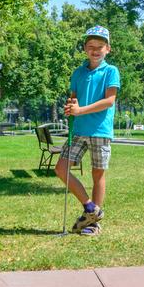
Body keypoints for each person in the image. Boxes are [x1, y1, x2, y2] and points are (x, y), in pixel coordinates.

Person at [54, 26, 120, 236]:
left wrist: (80, 109)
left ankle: (93, 224)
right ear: (85, 48)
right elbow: (74, 98)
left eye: (99, 47)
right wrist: (71, 107)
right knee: (61, 168)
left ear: (107, 49)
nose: (95, 50)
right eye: (91, 46)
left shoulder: (111, 71)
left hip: (100, 130)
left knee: (97, 174)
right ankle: (91, 208)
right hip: (79, 129)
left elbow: (109, 100)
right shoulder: (78, 73)